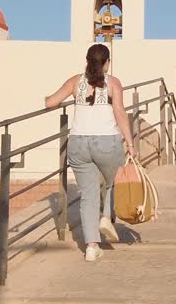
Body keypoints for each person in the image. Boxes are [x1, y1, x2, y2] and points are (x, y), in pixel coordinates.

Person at [45, 43, 136, 262]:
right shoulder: (113, 83)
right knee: (115, 181)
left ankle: (92, 247)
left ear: (87, 61)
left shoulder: (76, 81)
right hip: (107, 142)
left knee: (88, 195)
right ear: (107, 63)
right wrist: (131, 144)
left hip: (78, 143)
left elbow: (51, 102)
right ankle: (106, 216)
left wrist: (48, 100)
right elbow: (120, 112)